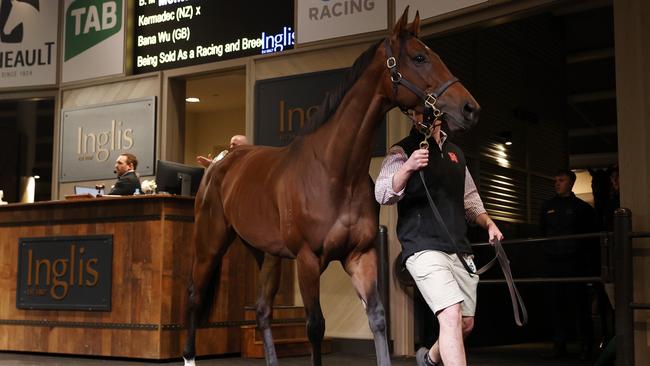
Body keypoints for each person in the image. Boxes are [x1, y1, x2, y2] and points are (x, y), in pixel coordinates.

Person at [375, 115, 503, 366]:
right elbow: (382, 193)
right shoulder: (402, 150)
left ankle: (430, 360)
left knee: (465, 324)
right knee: (451, 315)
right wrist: (408, 167)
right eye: (416, 112)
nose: (420, 116)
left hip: (458, 248)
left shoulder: (456, 153)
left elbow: (471, 200)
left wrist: (489, 223)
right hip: (423, 247)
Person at [540, 169, 597, 360]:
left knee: (579, 305)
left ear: (571, 183)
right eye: (555, 180)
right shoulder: (547, 206)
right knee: (556, 305)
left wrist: (588, 266)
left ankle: (587, 346)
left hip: (574, 263)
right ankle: (559, 345)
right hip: (553, 262)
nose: (557, 183)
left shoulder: (582, 208)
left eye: (561, 180)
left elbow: (591, 239)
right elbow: (542, 232)